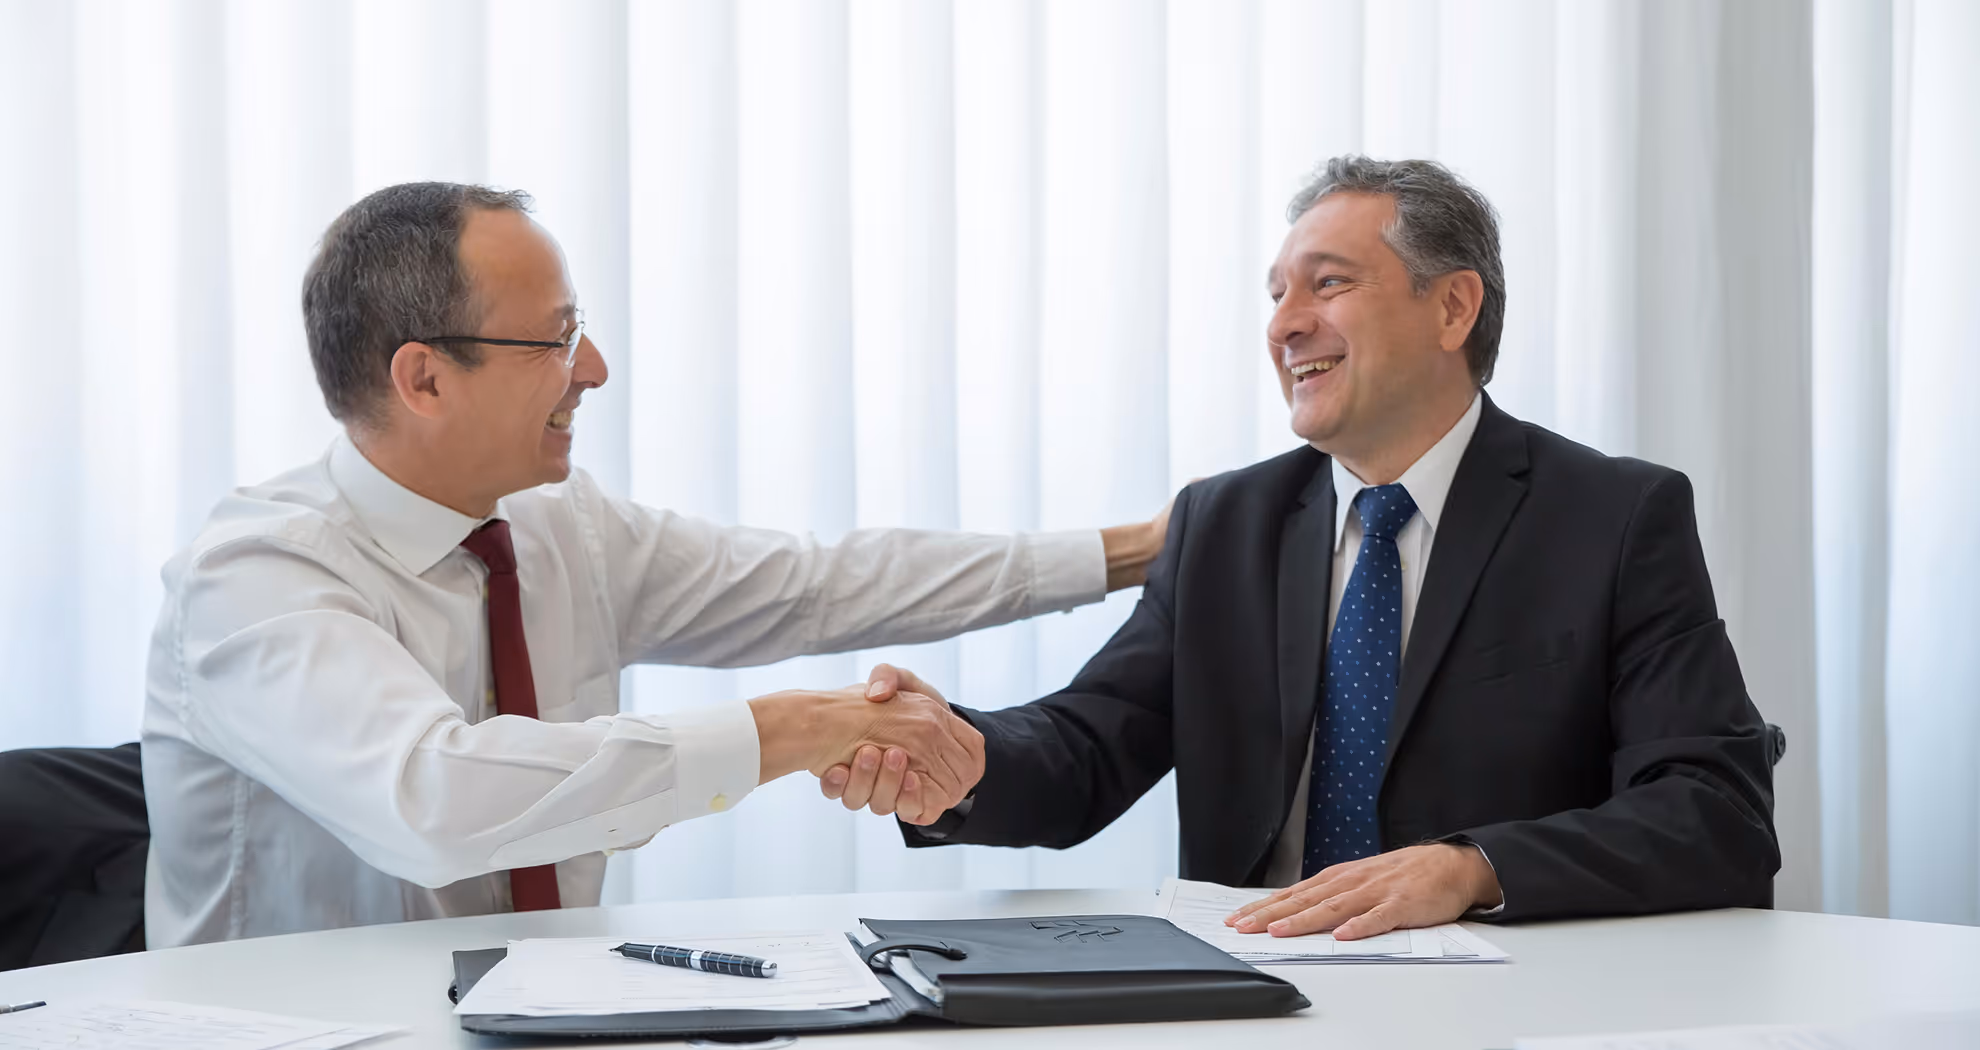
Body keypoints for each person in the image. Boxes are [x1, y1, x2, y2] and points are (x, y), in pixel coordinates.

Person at [141, 182, 1169, 947]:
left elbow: (819, 585)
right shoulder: (253, 576)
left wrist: (1146, 551)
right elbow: (437, 801)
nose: (592, 369)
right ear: (424, 378)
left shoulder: (559, 529)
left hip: (551, 1011)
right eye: (555, 339)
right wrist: (797, 729)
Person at [829, 156, 1780, 939]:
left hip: (1505, 994)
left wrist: (1472, 869)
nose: (1285, 323)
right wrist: (957, 754)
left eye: (1328, 284)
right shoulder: (1223, 522)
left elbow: (1714, 811)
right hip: (1255, 985)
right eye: (1278, 293)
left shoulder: (1612, 514)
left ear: (1453, 309)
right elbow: (1088, 746)